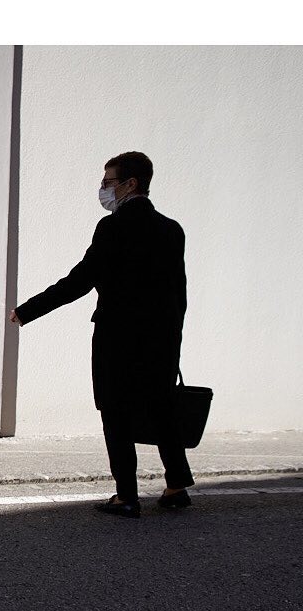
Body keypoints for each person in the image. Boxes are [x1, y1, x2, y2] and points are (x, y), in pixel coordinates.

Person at [10, 151, 194, 518]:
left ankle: (126, 495)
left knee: (116, 412)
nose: (102, 188)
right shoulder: (171, 229)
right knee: (161, 409)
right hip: (162, 336)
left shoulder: (112, 228)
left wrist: (28, 310)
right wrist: (174, 334)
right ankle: (176, 487)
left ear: (130, 184)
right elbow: (180, 291)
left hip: (119, 338)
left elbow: (80, 280)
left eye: (108, 182)